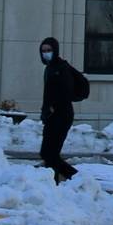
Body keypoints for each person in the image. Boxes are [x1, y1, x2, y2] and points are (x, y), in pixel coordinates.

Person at [37, 36, 87, 183]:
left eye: (49, 50)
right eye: (43, 50)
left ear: (55, 50)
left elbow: (65, 92)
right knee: (48, 153)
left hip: (62, 115)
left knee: (49, 153)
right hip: (52, 116)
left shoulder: (61, 68)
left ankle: (76, 179)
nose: (46, 53)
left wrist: (52, 107)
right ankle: (58, 182)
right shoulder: (49, 68)